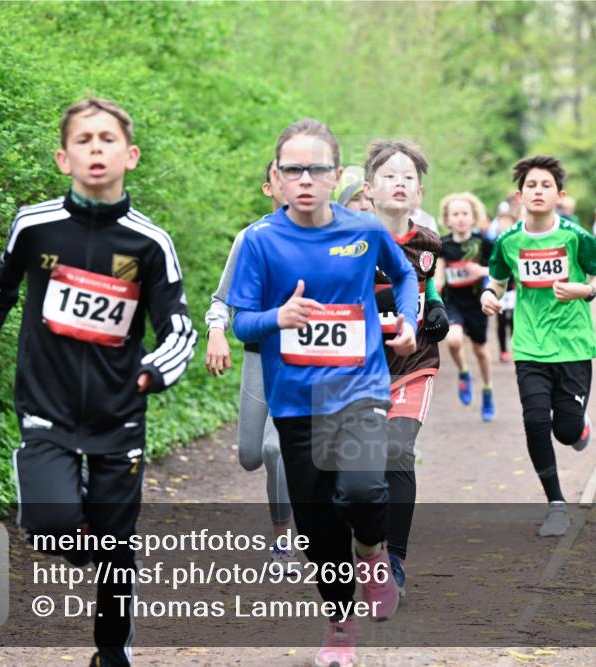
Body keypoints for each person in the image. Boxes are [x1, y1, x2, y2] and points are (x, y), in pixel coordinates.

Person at [0, 98, 198, 667]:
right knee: (52, 526)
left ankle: (111, 654)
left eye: (107, 139)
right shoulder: (34, 227)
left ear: (129, 155)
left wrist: (154, 371)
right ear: (64, 158)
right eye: (83, 140)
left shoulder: (149, 244)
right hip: (46, 409)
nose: (96, 148)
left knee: (115, 550)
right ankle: (76, 524)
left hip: (119, 416)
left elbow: (180, 328)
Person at [228, 119, 418, 667]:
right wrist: (277, 317)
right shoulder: (261, 242)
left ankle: (374, 553)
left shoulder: (365, 231)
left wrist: (405, 321)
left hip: (360, 388)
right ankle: (340, 622)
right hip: (295, 403)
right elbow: (241, 323)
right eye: (293, 169)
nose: (304, 178)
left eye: (316, 168)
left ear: (336, 175)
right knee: (316, 529)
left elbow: (403, 276)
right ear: (278, 178)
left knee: (362, 488)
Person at [480, 155, 596, 537]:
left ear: (560, 195)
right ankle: (556, 504)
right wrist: (490, 295)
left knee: (566, 433)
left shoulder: (576, 236)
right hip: (530, 346)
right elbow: (498, 281)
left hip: (572, 345)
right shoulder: (507, 241)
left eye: (546, 186)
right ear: (519, 196)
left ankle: (579, 425)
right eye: (531, 186)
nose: (538, 191)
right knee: (536, 422)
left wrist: (583, 290)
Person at [361, 138, 448, 600]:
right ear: (368, 188)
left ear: (419, 193)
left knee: (396, 451)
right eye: (389, 175)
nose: (399, 183)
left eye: (408, 177)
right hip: (355, 371)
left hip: (413, 365)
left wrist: (435, 309)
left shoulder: (428, 243)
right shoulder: (345, 240)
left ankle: (393, 558)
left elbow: (427, 288)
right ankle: (362, 550)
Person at [205, 159, 296, 567]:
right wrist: (216, 331)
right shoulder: (251, 238)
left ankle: (283, 542)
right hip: (259, 359)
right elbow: (222, 298)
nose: (294, 182)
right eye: (284, 175)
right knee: (250, 455)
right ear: (269, 188)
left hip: (302, 363)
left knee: (276, 451)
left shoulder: (325, 238)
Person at [435, 192, 496, 422]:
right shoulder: (443, 245)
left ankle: (488, 389)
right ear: (448, 220)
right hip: (453, 303)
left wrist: (482, 271)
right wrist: (436, 286)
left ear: (473, 217)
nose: (460, 218)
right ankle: (463, 372)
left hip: (477, 303)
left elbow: (500, 271)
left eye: (464, 213)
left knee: (481, 351)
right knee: (454, 340)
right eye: (455, 214)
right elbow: (439, 275)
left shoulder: (483, 243)